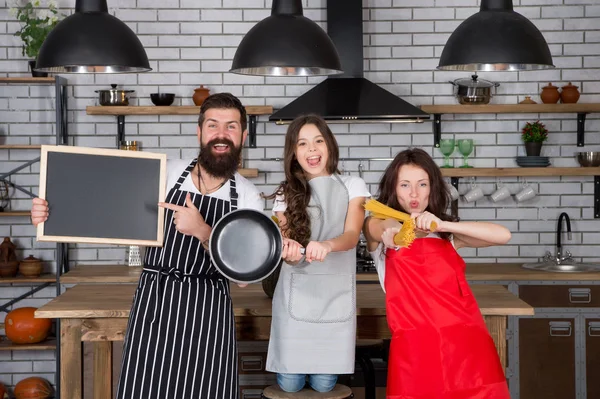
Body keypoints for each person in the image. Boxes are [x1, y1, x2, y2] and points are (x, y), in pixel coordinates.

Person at [31, 93, 264, 399]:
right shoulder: (164, 172)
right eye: (213, 125)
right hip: (156, 302)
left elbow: (243, 279)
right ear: (199, 131)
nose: (221, 134)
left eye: (231, 126)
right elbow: (101, 207)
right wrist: (50, 212)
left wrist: (203, 231)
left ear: (243, 135)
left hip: (209, 311)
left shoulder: (248, 198)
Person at [363, 148, 512, 399]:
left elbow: (503, 235)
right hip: (415, 350)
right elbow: (382, 228)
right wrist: (395, 234)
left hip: (467, 346)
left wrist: (442, 224)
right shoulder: (377, 223)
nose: (414, 193)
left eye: (422, 184)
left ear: (432, 188)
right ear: (393, 188)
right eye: (405, 185)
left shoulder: (446, 234)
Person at [264, 115, 370, 393]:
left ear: (330, 145)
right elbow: (285, 239)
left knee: (324, 386)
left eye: (318, 141)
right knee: (290, 382)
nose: (312, 150)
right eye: (302, 144)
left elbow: (350, 236)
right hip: (295, 294)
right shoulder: (286, 193)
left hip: (335, 295)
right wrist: (287, 251)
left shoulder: (353, 185)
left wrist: (327, 245)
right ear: (294, 153)